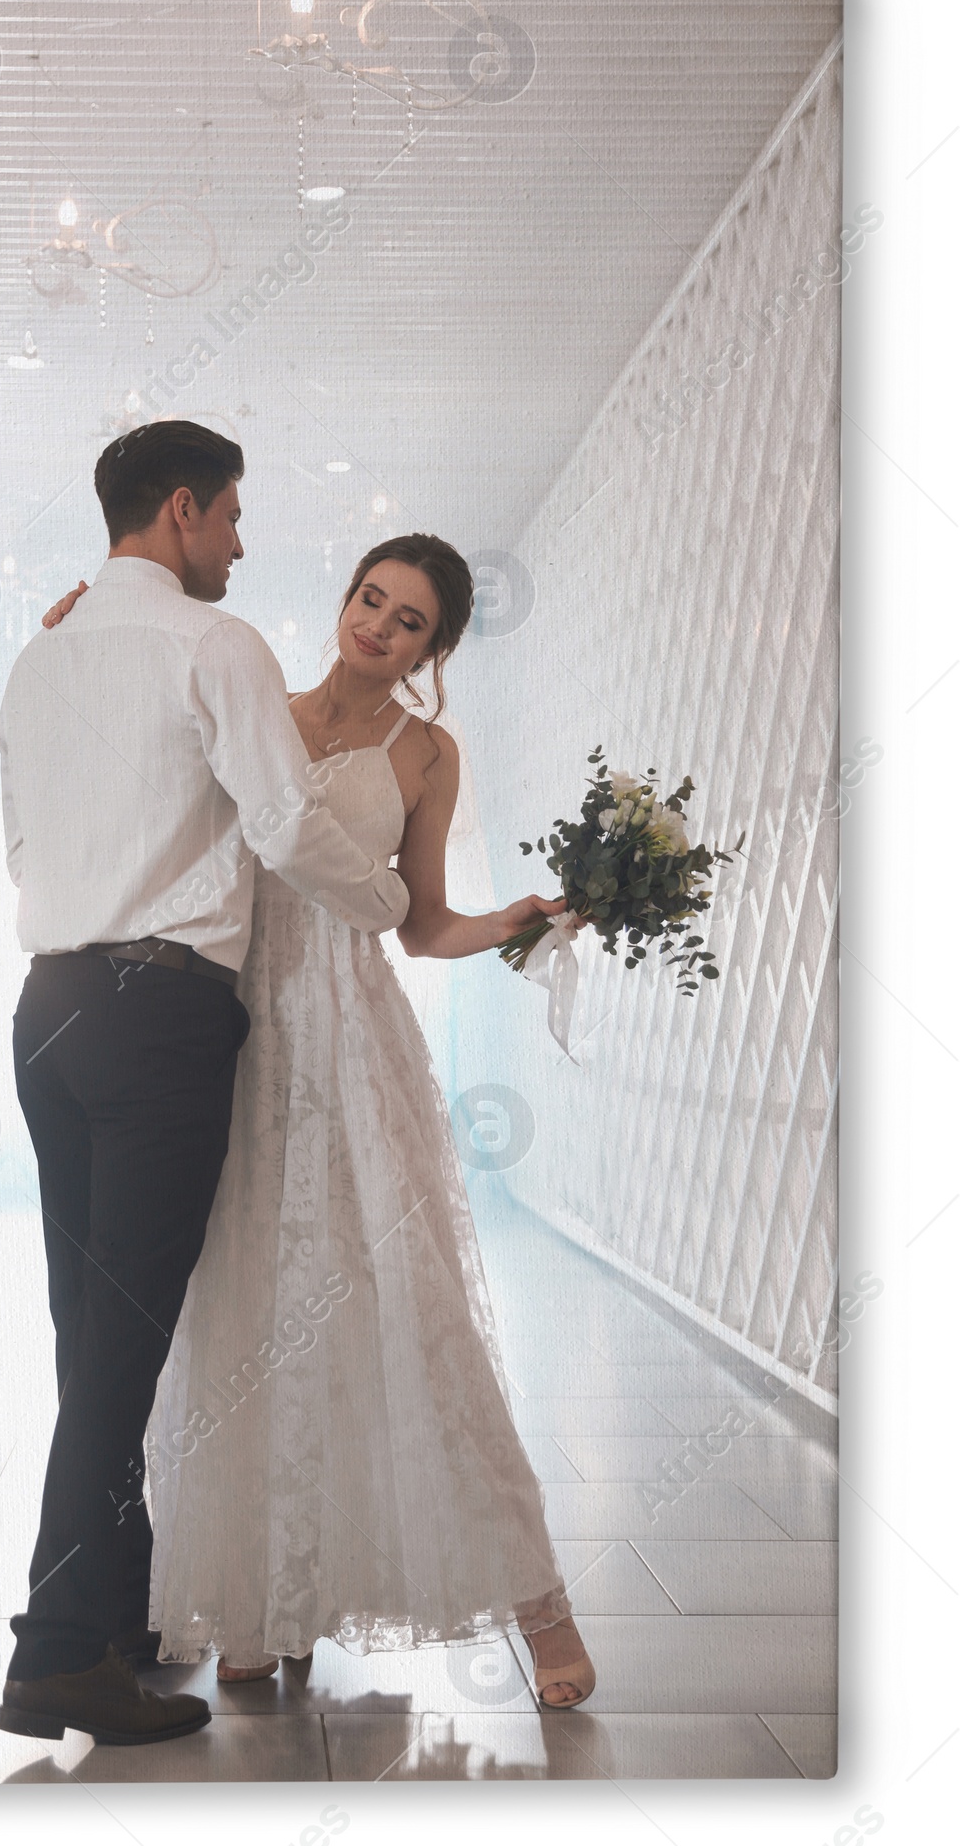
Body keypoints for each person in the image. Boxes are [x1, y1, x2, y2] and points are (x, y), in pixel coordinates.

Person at [42, 534, 596, 1708]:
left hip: (351, 1037)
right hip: (229, 1027)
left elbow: (420, 922)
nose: (376, 627)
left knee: (410, 1302)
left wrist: (517, 920)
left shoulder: (426, 752)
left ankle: (537, 1606)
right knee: (243, 1306)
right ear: (343, 596)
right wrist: (71, 641)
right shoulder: (254, 698)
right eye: (368, 599)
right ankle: (264, 1595)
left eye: (407, 622)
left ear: (433, 652)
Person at [0, 421, 415, 1747]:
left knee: (89, 1332)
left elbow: (19, 835)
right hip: (159, 1012)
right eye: (232, 514)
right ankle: (56, 1652)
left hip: (49, 1006)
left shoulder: (38, 656)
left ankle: (116, 1620)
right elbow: (287, 822)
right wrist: (391, 895)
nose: (240, 539)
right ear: (180, 510)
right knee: (120, 1348)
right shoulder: (216, 646)